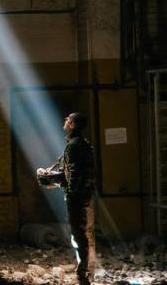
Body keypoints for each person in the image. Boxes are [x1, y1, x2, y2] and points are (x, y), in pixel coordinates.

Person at [62, 112, 95, 285]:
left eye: (68, 120)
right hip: (85, 194)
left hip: (77, 196)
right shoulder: (83, 143)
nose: (65, 121)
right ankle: (85, 268)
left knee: (78, 232)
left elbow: (75, 173)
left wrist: (70, 191)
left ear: (73, 124)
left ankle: (83, 271)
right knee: (83, 230)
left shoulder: (74, 145)